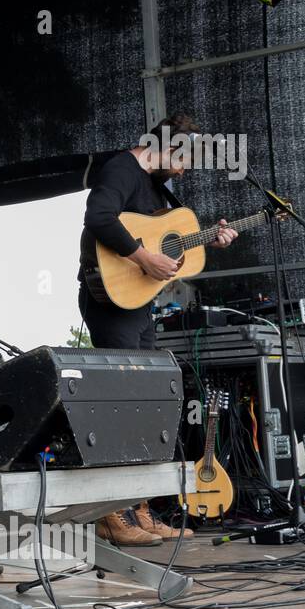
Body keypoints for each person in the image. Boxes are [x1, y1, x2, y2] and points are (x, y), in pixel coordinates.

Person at [78, 113, 236, 545]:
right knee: (121, 403)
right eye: (183, 160)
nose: (184, 170)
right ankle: (112, 514)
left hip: (137, 303)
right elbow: (99, 217)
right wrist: (144, 258)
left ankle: (141, 509)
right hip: (110, 300)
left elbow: (170, 240)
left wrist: (210, 237)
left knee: (147, 404)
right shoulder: (121, 168)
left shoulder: (154, 187)